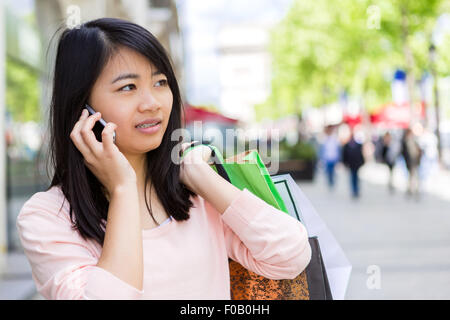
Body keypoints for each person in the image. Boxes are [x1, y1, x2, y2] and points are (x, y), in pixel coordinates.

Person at [15, 18, 311, 300]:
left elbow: (290, 257)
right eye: (127, 87)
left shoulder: (194, 195)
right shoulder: (47, 216)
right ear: (83, 107)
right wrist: (122, 189)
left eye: (160, 82)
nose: (152, 103)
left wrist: (202, 176)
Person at [401, 127, 422, 198]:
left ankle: (415, 189)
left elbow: (419, 150)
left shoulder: (414, 140)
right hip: (410, 161)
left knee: (415, 175)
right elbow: (404, 153)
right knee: (411, 176)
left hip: (415, 161)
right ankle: (410, 189)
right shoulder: (405, 141)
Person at [342, 132, 365, 198]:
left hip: (357, 164)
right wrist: (345, 163)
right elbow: (344, 155)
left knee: (356, 177)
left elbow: (361, 155)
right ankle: (354, 190)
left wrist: (362, 162)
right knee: (352, 177)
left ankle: (356, 190)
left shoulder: (358, 145)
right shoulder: (347, 146)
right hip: (351, 164)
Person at [319, 126, 341, 190]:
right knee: (328, 171)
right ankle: (330, 182)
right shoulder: (324, 139)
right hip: (327, 158)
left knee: (333, 171)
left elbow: (338, 149)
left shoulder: (334, 138)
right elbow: (322, 149)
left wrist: (339, 158)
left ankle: (332, 181)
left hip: (334, 157)